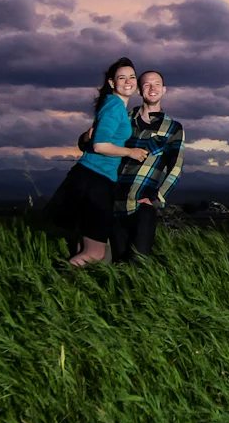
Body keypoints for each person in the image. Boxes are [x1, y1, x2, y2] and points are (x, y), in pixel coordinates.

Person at [43, 57, 148, 267]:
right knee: (96, 254)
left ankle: (67, 290)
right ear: (111, 83)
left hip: (89, 179)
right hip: (95, 181)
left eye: (132, 77)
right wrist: (130, 152)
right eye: (122, 78)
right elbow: (100, 145)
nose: (128, 81)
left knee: (86, 248)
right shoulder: (114, 106)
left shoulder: (113, 105)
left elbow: (91, 139)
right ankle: (51, 284)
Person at [79, 69, 184, 263]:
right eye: (146, 84)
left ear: (164, 90)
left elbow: (175, 168)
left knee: (139, 263)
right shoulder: (123, 119)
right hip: (113, 202)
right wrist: (87, 136)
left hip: (142, 205)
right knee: (117, 263)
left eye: (157, 84)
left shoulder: (173, 128)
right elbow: (90, 145)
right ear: (139, 91)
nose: (152, 88)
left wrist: (157, 199)